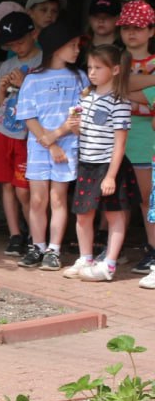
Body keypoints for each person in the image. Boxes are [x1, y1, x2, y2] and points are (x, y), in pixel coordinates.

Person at [16, 22, 86, 270]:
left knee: (58, 199)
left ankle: (54, 249)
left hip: (66, 147)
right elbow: (27, 114)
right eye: (72, 45)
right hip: (39, 147)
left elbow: (80, 115)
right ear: (56, 48)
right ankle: (37, 245)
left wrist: (56, 137)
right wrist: (48, 142)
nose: (77, 50)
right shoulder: (33, 79)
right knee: (37, 200)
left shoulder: (79, 77)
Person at [65, 44, 136, 282]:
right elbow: (83, 132)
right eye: (89, 67)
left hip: (108, 165)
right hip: (87, 163)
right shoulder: (86, 97)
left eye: (98, 67)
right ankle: (86, 258)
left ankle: (109, 264)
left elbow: (120, 143)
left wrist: (111, 176)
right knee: (83, 214)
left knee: (114, 214)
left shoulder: (120, 101)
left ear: (115, 69)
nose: (92, 72)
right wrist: (75, 128)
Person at [0, 13, 41, 257]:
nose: (15, 47)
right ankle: (14, 235)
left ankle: (35, 234)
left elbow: (44, 100)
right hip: (3, 129)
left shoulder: (44, 62)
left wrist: (25, 83)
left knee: (24, 189)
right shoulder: (8, 65)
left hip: (27, 134)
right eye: (11, 45)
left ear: (33, 34)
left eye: (19, 42)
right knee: (6, 184)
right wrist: (2, 88)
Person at [117, 0, 155, 274]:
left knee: (147, 199)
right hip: (115, 140)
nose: (131, 33)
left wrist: (120, 89)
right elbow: (105, 85)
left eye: (139, 28)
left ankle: (152, 249)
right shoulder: (114, 59)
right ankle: (112, 249)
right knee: (115, 198)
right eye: (126, 27)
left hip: (145, 142)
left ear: (151, 31)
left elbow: (117, 89)